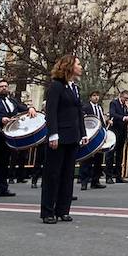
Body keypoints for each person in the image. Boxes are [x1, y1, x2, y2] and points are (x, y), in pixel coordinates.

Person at [41, 55, 84, 224]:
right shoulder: (56, 86)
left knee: (67, 174)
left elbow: (78, 112)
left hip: (72, 136)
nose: (81, 67)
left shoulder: (75, 88)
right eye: (78, 64)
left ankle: (63, 209)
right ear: (69, 67)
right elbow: (51, 111)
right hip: (58, 136)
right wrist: (53, 134)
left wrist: (83, 133)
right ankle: (48, 211)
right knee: (52, 174)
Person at [77, 90, 108, 192]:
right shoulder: (86, 107)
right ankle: (84, 182)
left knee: (98, 160)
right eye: (94, 96)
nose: (96, 98)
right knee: (87, 160)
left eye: (97, 96)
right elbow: (84, 121)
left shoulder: (99, 108)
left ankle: (96, 181)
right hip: (89, 135)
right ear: (90, 97)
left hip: (99, 136)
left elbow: (101, 121)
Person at [106, 89, 128, 185]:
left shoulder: (126, 106)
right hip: (114, 130)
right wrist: (124, 118)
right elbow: (113, 113)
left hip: (122, 131)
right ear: (121, 96)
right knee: (111, 154)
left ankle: (118, 176)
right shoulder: (114, 103)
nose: (126, 100)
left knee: (120, 155)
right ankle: (109, 176)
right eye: (125, 98)